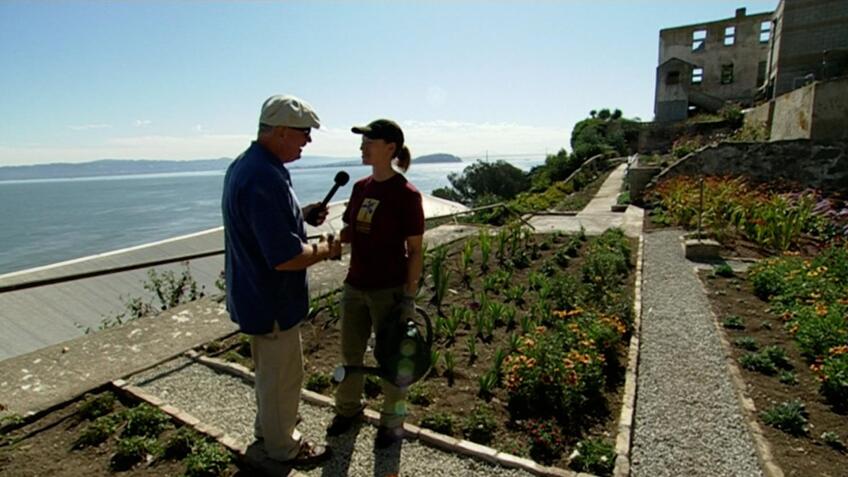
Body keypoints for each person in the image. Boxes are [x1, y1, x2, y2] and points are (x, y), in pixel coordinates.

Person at [221, 94, 340, 465]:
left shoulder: (247, 166)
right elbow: (286, 258)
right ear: (282, 131)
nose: (309, 140)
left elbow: (260, 225)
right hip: (271, 301)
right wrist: (327, 249)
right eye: (304, 133)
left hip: (255, 295)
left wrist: (300, 216)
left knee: (271, 376)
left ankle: (269, 430)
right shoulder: (265, 177)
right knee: (282, 378)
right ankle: (282, 448)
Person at [327, 119, 425, 449]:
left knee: (392, 359)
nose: (362, 147)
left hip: (389, 291)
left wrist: (409, 297)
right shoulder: (360, 188)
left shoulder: (406, 195)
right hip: (355, 286)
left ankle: (392, 423)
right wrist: (333, 238)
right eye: (362, 141)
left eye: (369, 141)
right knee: (350, 353)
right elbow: (351, 231)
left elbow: (415, 251)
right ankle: (348, 410)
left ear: (390, 148)